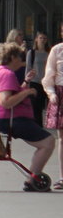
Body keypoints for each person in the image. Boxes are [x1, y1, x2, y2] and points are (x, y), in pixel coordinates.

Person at [0, 41, 55, 191]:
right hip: (11, 118)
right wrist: (27, 92)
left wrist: (25, 83)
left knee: (45, 143)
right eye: (19, 56)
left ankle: (33, 176)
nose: (22, 58)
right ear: (12, 57)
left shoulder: (2, 71)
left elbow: (12, 92)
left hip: (7, 118)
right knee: (48, 142)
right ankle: (31, 179)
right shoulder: (7, 74)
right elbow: (5, 101)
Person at [42, 28, 63, 189]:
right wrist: (51, 93)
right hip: (60, 93)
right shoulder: (57, 50)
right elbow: (49, 75)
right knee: (62, 138)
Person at [26, 32, 50, 125]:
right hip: (34, 82)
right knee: (36, 107)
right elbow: (28, 68)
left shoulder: (49, 52)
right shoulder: (31, 53)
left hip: (46, 83)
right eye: (41, 38)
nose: (43, 40)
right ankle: (38, 126)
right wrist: (27, 83)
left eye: (45, 38)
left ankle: (45, 124)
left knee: (46, 107)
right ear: (36, 39)